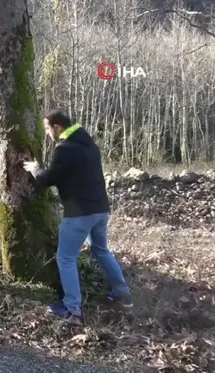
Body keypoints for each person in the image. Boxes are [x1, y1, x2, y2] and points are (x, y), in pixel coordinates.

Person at [22, 109, 132, 325]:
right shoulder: (89, 145)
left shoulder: (65, 149)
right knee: (101, 250)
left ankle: (73, 310)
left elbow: (49, 178)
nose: (46, 134)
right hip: (100, 210)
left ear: (57, 127)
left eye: (47, 129)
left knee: (65, 258)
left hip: (79, 213)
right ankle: (121, 291)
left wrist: (35, 169)